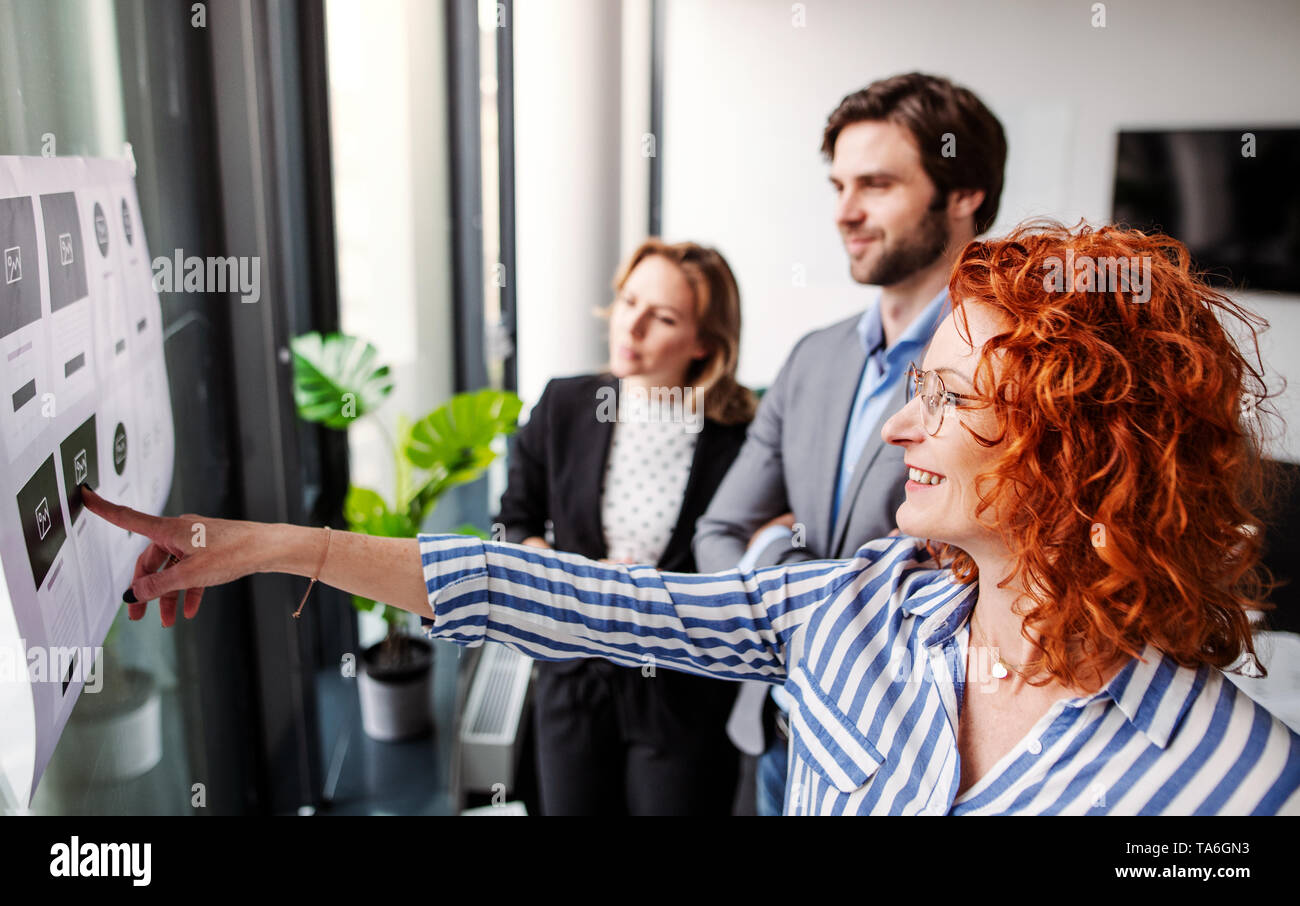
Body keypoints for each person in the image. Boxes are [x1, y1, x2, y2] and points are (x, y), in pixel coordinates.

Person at [83, 222, 1300, 815]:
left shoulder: (1239, 784)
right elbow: (580, 596)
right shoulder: (856, 603)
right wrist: (267, 545)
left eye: (948, 394)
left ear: (1084, 454)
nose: (894, 427)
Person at [692, 72, 1007, 814]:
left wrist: (770, 559)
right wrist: (811, 585)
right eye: (838, 185)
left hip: (909, 763)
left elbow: (979, 585)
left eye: (876, 185)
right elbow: (718, 531)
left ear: (965, 196)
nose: (845, 212)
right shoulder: (812, 358)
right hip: (777, 733)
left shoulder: (1006, 371)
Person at [493, 238, 756, 814]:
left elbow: (745, 559)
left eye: (661, 317)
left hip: (681, 688)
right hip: (575, 673)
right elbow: (514, 522)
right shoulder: (564, 405)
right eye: (628, 301)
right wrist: (572, 572)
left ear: (704, 342)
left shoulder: (741, 438)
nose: (629, 326)